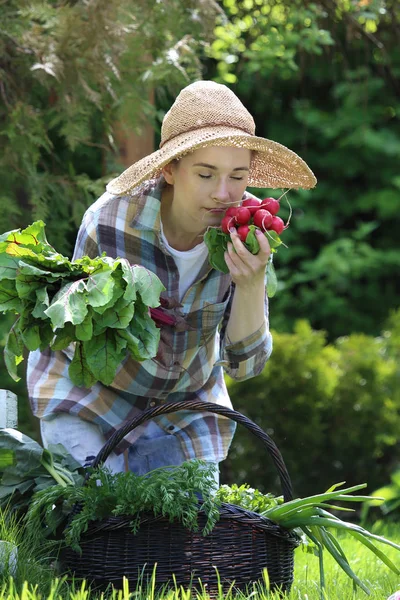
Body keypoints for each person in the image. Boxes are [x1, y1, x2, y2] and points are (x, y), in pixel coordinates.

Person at [27, 80, 316, 485]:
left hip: (180, 413)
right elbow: (76, 334)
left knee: (191, 534)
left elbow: (245, 365)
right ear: (170, 170)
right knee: (98, 521)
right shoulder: (110, 223)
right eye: (205, 174)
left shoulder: (248, 233)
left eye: (238, 176)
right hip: (92, 400)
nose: (223, 193)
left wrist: (250, 284)